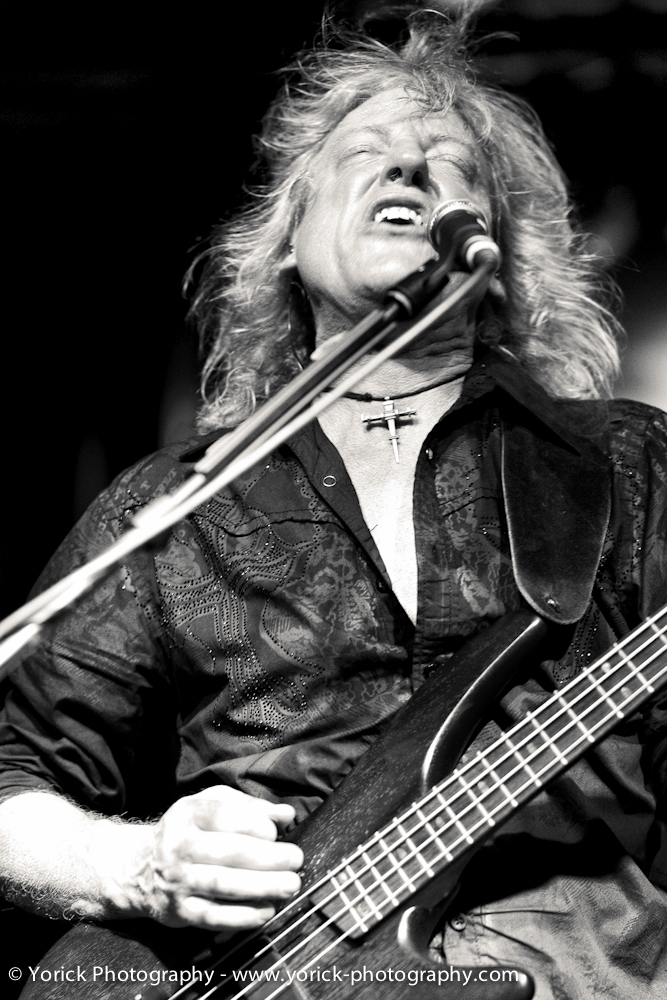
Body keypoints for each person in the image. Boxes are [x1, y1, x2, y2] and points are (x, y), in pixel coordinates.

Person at [1, 9, 667, 998]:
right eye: (366, 153)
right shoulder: (177, 507)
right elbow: (10, 780)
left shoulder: (622, 462)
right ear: (286, 239)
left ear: (495, 251)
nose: (410, 169)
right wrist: (134, 865)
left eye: (451, 166)